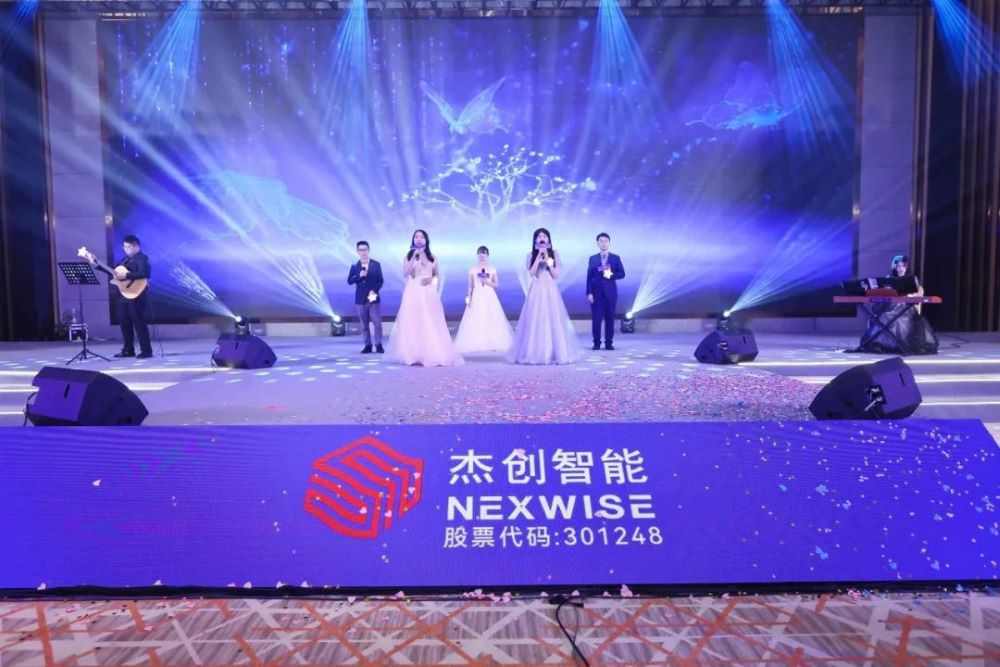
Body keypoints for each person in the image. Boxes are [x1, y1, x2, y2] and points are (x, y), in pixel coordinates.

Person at [384, 230, 463, 366]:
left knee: (429, 319)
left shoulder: (432, 257)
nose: (419, 239)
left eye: (422, 237)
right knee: (413, 320)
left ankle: (431, 352)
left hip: (428, 290)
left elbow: (436, 274)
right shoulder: (409, 256)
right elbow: (405, 273)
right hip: (413, 290)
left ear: (426, 240)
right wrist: (414, 256)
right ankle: (413, 354)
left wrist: (431, 280)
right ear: (413, 240)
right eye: (416, 237)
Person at [508, 228, 582, 365]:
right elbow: (531, 274)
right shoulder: (530, 255)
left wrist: (548, 260)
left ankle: (555, 353)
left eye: (544, 236)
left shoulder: (555, 253)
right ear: (535, 240)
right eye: (539, 236)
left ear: (548, 239)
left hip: (550, 288)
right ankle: (533, 352)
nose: (542, 238)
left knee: (553, 318)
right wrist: (538, 258)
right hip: (536, 289)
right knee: (535, 318)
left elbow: (556, 275)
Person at [88, 234, 153, 359]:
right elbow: (113, 271)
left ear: (136, 246)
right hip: (123, 294)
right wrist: (97, 264)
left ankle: (146, 350)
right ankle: (128, 349)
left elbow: (144, 273)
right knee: (124, 322)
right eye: (124, 247)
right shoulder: (125, 260)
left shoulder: (143, 258)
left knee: (139, 322)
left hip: (136, 294)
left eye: (128, 247)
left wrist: (127, 276)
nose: (126, 249)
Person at [859, 254, 938, 355]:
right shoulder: (889, 280)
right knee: (884, 315)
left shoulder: (913, 282)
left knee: (889, 316)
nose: (900, 269)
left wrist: (908, 297)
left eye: (903, 266)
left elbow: (916, 298)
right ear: (894, 267)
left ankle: (899, 345)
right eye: (898, 266)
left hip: (907, 310)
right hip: (891, 308)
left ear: (907, 267)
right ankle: (881, 344)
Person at [455, 246, 513, 354]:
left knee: (491, 316)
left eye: (484, 253)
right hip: (477, 294)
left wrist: (487, 282)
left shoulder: (491, 268)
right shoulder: (473, 268)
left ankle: (493, 341)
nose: (482, 255)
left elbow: (496, 284)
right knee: (476, 316)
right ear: (477, 255)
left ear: (487, 255)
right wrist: (469, 296)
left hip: (489, 294)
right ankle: (476, 341)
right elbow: (470, 285)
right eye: (480, 253)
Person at [586, 232, 625, 351]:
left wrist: (610, 274)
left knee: (609, 319)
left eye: (606, 241)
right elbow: (589, 276)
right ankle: (596, 343)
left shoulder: (615, 258)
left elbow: (622, 274)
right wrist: (589, 293)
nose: (604, 243)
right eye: (601, 241)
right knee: (596, 319)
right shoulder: (593, 258)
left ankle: (609, 343)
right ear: (597, 243)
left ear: (609, 243)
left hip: (610, 293)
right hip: (596, 293)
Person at [347, 241, 385, 353]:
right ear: (357, 252)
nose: (363, 252)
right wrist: (359, 276)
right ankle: (367, 345)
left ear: (369, 250)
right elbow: (349, 281)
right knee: (364, 324)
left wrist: (374, 292)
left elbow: (380, 281)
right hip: (360, 299)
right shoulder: (355, 266)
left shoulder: (376, 264)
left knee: (377, 323)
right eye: (361, 250)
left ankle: (378, 344)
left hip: (373, 298)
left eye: (365, 250)